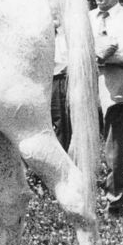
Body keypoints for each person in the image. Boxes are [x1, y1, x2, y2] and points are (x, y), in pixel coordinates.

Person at [89, 0, 123, 216]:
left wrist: (97, 54)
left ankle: (115, 200)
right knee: (84, 140)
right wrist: (103, 52)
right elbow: (75, 51)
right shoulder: (88, 18)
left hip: (118, 90)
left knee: (113, 144)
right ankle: (86, 193)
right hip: (89, 86)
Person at [51, 23, 72, 151]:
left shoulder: (67, 34)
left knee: (62, 122)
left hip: (61, 79)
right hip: (46, 81)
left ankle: (65, 155)